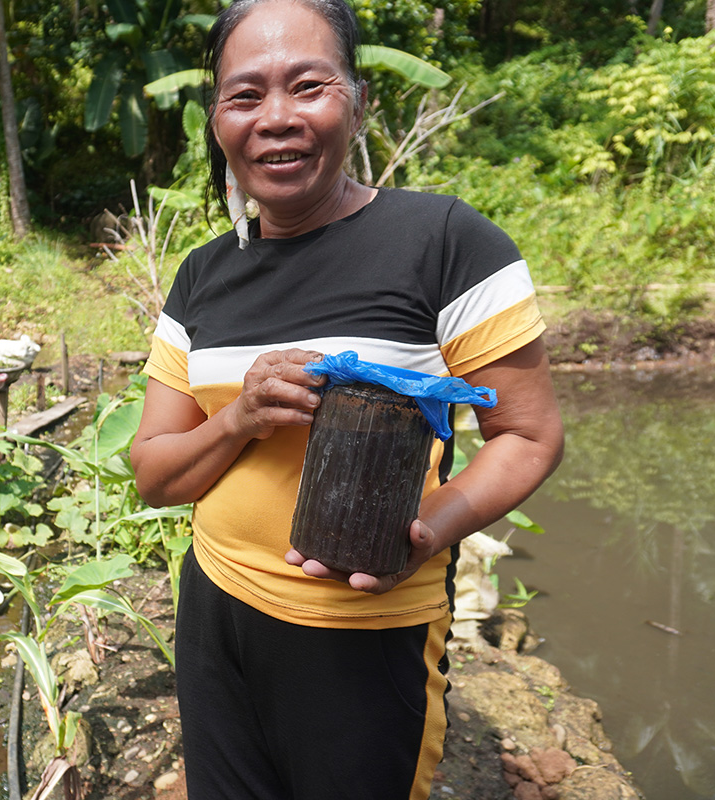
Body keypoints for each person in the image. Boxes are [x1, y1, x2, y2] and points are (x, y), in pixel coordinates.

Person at [128, 1, 566, 798]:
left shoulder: (444, 242)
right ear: (217, 121)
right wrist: (239, 417)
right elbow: (155, 476)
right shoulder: (201, 274)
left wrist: (425, 531)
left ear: (358, 101)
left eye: (308, 86)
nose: (278, 118)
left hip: (363, 630)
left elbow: (528, 435)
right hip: (215, 610)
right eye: (245, 95)